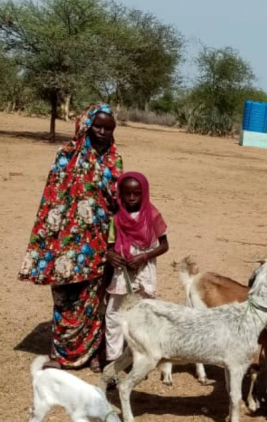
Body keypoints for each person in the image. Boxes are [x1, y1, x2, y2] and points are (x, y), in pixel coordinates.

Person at [18, 103, 123, 371]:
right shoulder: (65, 155)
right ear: (85, 125)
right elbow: (51, 201)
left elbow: (119, 203)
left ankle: (95, 352)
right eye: (97, 126)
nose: (102, 131)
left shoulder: (114, 160)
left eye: (108, 128)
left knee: (96, 299)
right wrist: (47, 243)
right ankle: (64, 354)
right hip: (65, 244)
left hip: (98, 244)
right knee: (65, 298)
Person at [104, 172, 169, 363]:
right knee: (114, 314)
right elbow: (109, 247)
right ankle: (113, 359)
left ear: (144, 193)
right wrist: (111, 256)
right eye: (127, 193)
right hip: (121, 274)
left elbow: (164, 246)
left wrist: (144, 256)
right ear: (120, 194)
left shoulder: (153, 216)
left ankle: (141, 359)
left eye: (137, 193)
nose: (131, 197)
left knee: (143, 315)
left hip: (144, 273)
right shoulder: (116, 219)